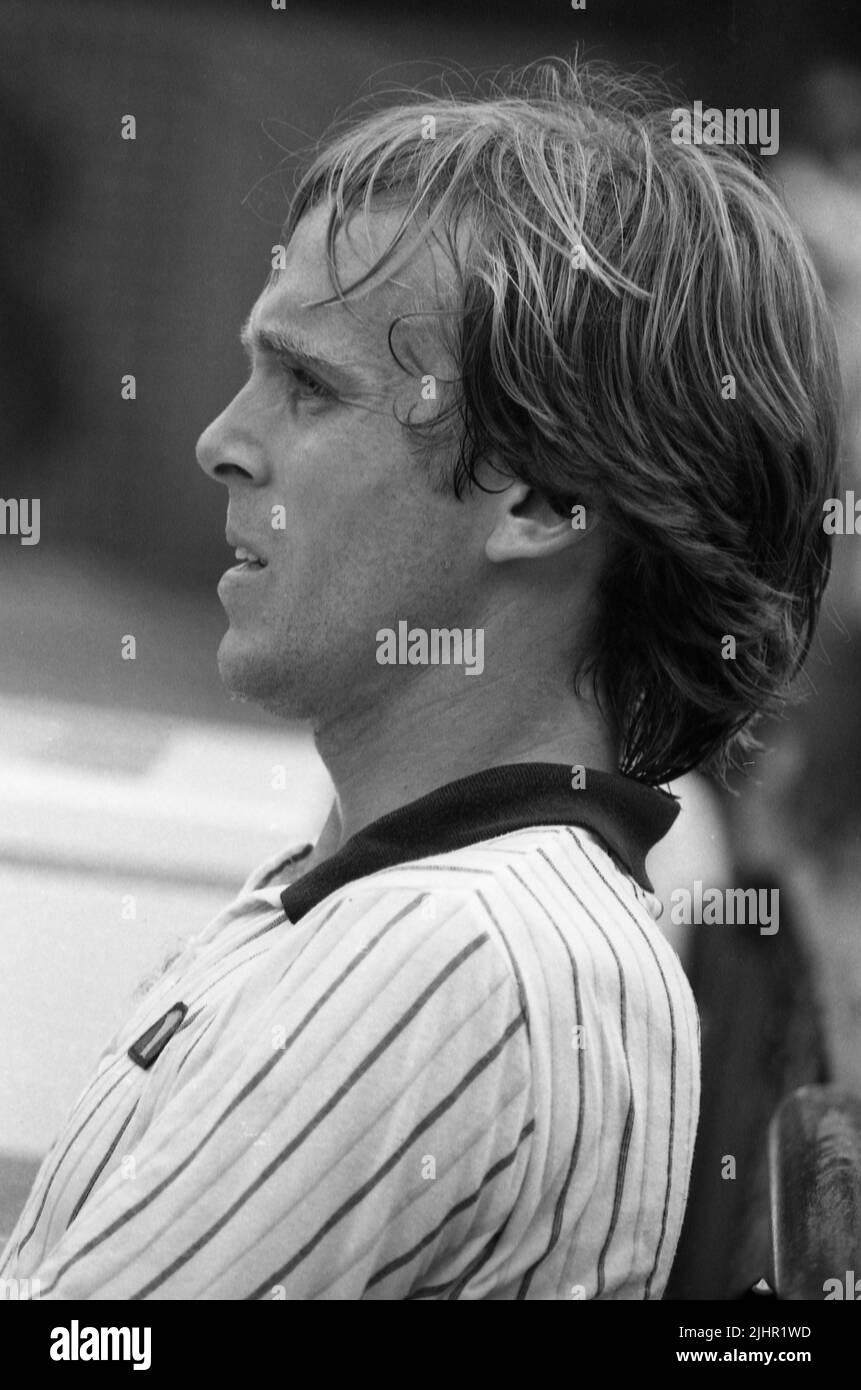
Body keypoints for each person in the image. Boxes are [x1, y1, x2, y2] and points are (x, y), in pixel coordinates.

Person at [0, 58, 840, 1300]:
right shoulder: (445, 892)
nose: (222, 440)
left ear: (548, 499)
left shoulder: (447, 955)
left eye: (309, 385)